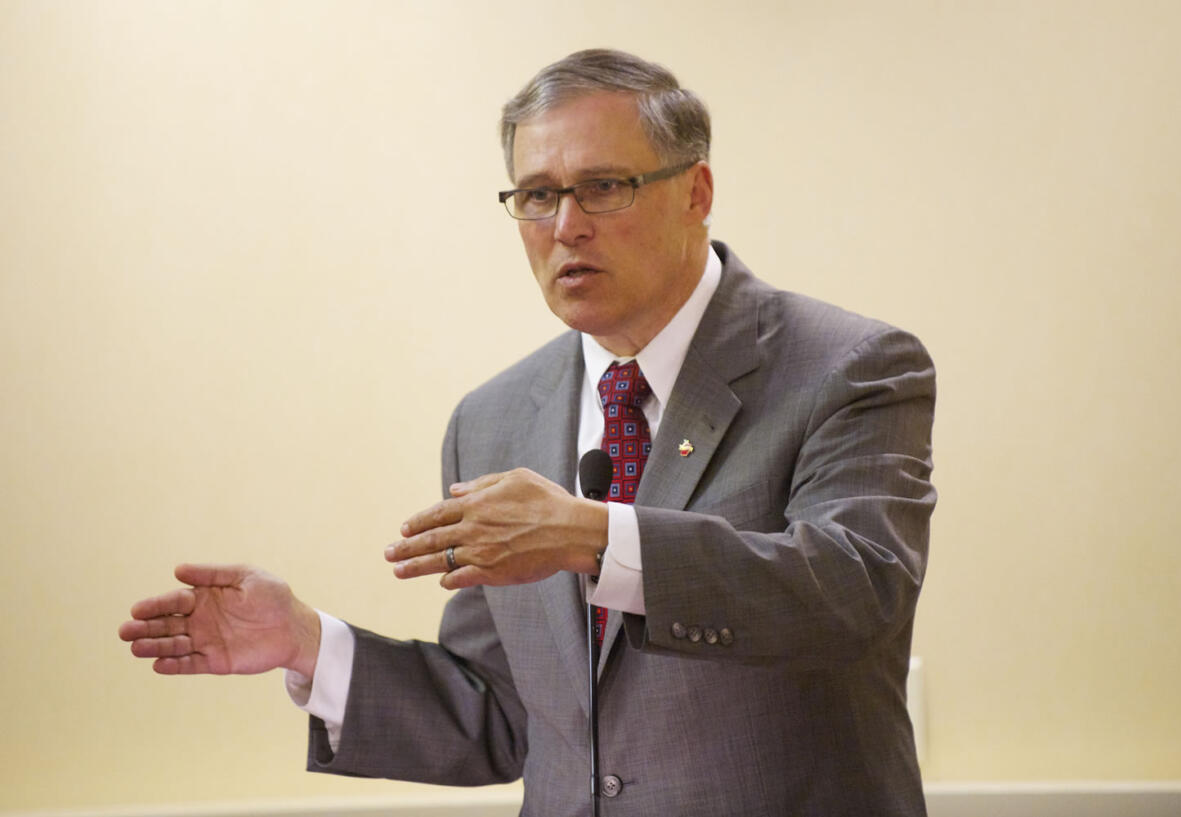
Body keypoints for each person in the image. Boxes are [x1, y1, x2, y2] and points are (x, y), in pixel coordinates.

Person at [120, 49, 937, 816]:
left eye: (604, 187)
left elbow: (856, 590)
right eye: (538, 195)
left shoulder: (847, 366)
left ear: (696, 191)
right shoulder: (495, 419)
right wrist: (309, 643)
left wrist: (595, 537)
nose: (565, 225)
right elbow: (501, 712)